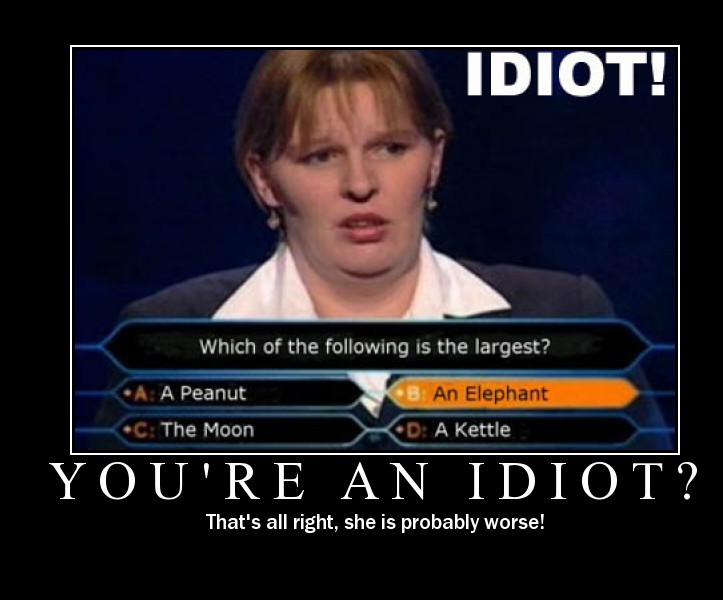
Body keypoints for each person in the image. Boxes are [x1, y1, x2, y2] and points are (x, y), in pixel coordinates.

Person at [114, 50, 668, 450]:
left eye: (391, 148)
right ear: (264, 178)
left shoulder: (564, 317)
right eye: (321, 156)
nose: (360, 183)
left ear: (434, 158)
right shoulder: (168, 340)